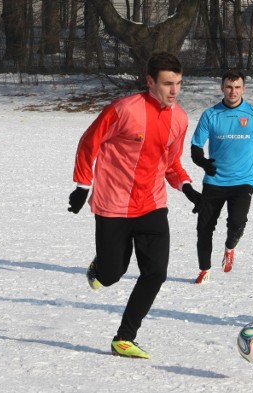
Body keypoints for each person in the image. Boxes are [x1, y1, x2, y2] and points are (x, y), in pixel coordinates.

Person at [67, 52, 202, 359]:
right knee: (112, 273)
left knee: (156, 272)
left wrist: (188, 188)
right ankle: (101, 267)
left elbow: (171, 164)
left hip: (153, 204)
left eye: (179, 83)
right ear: (150, 81)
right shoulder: (123, 110)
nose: (174, 91)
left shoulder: (179, 118)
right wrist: (81, 186)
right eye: (168, 83)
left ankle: (124, 337)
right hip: (113, 205)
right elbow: (90, 142)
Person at [190, 69, 253, 284]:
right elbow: (195, 147)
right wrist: (203, 163)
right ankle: (204, 269)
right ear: (222, 88)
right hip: (215, 181)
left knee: (237, 223)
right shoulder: (210, 115)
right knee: (204, 229)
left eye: (237, 87)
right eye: (229, 87)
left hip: (243, 181)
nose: (233, 91)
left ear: (243, 89)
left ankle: (230, 247)